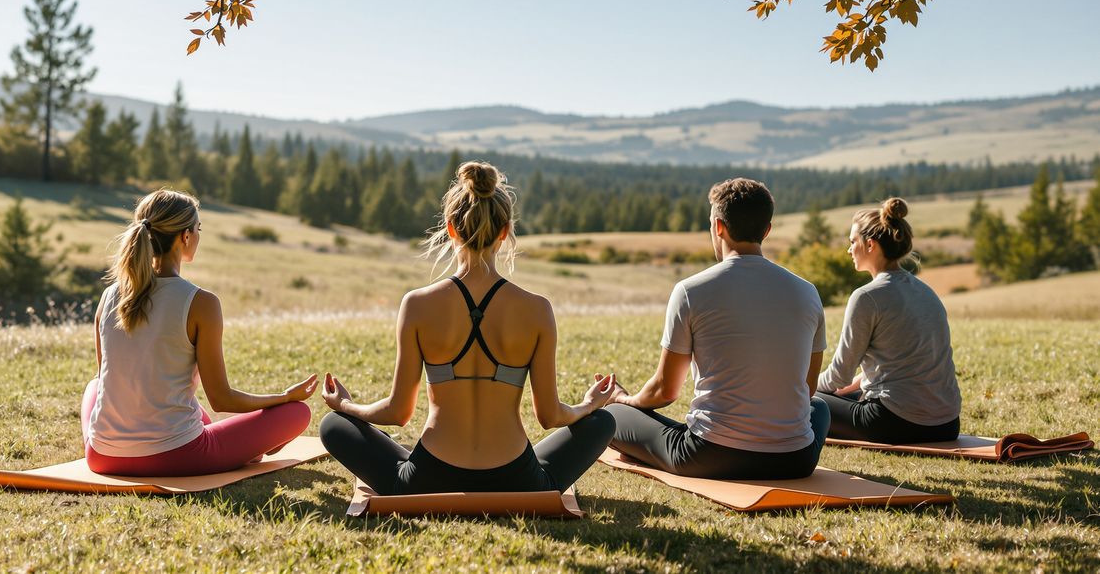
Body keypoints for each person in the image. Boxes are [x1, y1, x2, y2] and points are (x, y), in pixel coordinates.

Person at [319, 161, 616, 495]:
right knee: (603, 422)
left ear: (450, 228)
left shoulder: (417, 304)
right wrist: (589, 405)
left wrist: (345, 406)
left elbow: (398, 411)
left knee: (334, 425)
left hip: (428, 478)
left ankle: (389, 449)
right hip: (517, 480)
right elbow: (550, 416)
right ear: (505, 231)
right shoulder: (537, 309)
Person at [606, 177, 831, 479]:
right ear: (766, 230)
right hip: (794, 460)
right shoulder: (808, 292)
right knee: (821, 408)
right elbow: (807, 388)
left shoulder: (691, 290)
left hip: (709, 455)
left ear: (719, 227)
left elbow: (665, 390)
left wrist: (625, 401)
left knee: (611, 417)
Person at [81, 189, 317, 476]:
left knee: (95, 386)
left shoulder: (109, 295)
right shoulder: (200, 303)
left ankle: (241, 445)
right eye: (198, 229)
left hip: (103, 456)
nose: (198, 236)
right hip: (177, 456)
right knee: (297, 413)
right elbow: (221, 399)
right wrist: (283, 397)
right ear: (185, 237)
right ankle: (248, 448)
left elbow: (111, 378)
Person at [816, 198, 962, 443]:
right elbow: (906, 363)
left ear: (870, 244)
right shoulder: (925, 291)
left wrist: (803, 384)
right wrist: (851, 387)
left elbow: (837, 376)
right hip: (946, 424)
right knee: (838, 395)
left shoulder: (866, 297)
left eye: (853, 242)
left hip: (895, 422)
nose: (849, 249)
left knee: (807, 401)